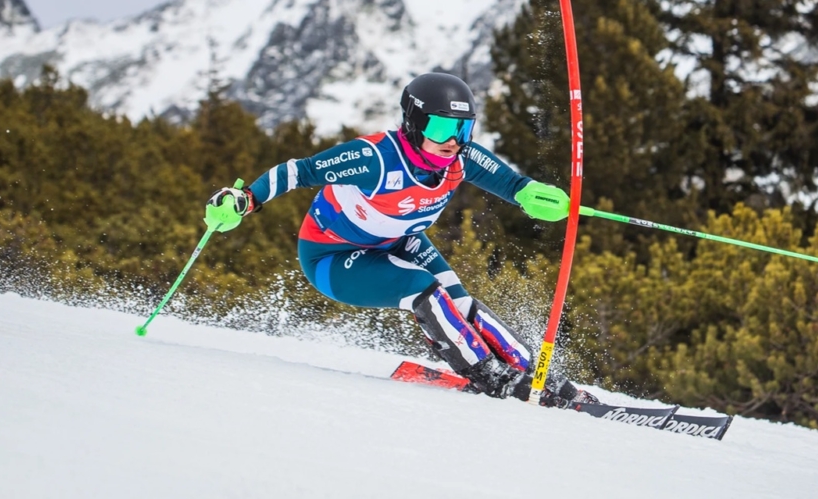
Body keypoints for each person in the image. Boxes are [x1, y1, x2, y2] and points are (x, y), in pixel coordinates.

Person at [205, 72, 587, 405]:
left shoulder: (461, 158)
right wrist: (247, 199)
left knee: (460, 302)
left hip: (398, 240)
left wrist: (535, 196)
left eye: (463, 129)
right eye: (441, 128)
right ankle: (489, 375)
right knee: (422, 288)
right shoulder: (375, 157)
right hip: (332, 257)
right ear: (414, 123)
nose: (453, 141)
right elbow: (300, 171)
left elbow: (513, 184)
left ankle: (538, 375)